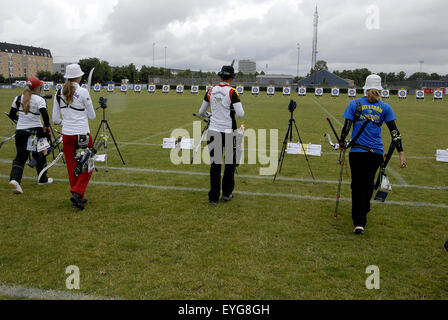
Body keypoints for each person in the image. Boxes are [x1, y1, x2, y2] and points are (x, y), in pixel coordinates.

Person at [340, 74, 407, 234]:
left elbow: (347, 127)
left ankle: (359, 222)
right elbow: (395, 132)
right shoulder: (385, 107)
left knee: (357, 186)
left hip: (357, 152)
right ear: (380, 89)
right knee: (369, 184)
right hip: (376, 153)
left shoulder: (354, 104)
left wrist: (342, 142)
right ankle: (364, 210)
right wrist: (401, 153)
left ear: (365, 88)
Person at [198, 64, 244, 205]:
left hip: (213, 131)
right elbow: (241, 114)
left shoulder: (211, 90)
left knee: (215, 165)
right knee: (229, 164)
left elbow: (201, 112)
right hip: (229, 132)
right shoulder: (232, 92)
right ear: (230, 78)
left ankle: (213, 198)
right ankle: (227, 194)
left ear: (220, 76)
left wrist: (211, 114)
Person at [52, 64, 96, 210]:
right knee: (88, 165)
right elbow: (92, 116)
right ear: (79, 76)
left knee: (72, 166)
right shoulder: (83, 92)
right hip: (82, 134)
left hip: (67, 135)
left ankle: (78, 197)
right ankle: (78, 193)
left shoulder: (58, 92)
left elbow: (55, 119)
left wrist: (67, 122)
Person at [8, 76, 53, 194]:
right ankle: (42, 179)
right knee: (40, 154)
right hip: (35, 132)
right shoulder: (39, 100)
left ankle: (15, 180)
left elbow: (12, 115)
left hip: (21, 132)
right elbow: (45, 116)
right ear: (37, 87)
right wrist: (46, 127)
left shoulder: (18, 98)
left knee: (21, 157)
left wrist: (22, 121)